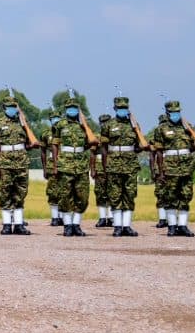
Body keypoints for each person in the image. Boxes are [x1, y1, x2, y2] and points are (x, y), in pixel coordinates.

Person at [150, 100, 195, 237]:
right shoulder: (161, 129)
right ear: (167, 113)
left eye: (178, 112)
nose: (176, 114)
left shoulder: (188, 127)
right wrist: (161, 171)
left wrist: (190, 130)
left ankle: (183, 226)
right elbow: (159, 152)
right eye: (173, 112)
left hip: (186, 166)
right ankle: (172, 226)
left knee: (186, 195)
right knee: (170, 196)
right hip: (170, 167)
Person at [100, 97, 145, 237]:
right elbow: (104, 148)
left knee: (130, 194)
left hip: (130, 165)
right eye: (120, 108)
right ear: (115, 109)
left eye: (125, 108)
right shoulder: (108, 125)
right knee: (115, 195)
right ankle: (117, 226)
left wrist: (132, 150)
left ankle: (127, 226)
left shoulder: (135, 126)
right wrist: (105, 165)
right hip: (113, 164)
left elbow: (140, 146)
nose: (122, 110)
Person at [51, 97, 96, 237]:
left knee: (82, 197)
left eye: (75, 108)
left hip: (81, 165)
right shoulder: (60, 125)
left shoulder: (84, 125)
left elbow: (93, 142)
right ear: (65, 110)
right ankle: (67, 225)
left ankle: (76, 224)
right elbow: (55, 145)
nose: (72, 110)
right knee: (65, 196)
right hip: (65, 164)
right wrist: (55, 164)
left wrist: (85, 125)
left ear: (78, 110)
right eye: (69, 108)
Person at [0, 96, 33, 235]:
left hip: (21, 162)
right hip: (5, 162)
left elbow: (29, 142)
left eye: (14, 106)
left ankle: (19, 225)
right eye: (9, 106)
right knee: (5, 192)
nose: (12, 109)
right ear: (4, 108)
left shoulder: (23, 123)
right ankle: (7, 225)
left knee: (21, 193)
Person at [41, 110, 63, 227]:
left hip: (66, 163)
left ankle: (64, 217)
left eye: (57, 118)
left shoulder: (65, 132)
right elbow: (43, 152)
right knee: (52, 192)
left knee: (65, 191)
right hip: (51, 165)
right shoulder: (45, 133)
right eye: (53, 118)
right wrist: (44, 168)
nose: (55, 120)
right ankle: (55, 217)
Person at [93, 113, 113, 228]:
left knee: (112, 193)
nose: (105, 124)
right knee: (100, 193)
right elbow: (92, 154)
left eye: (107, 122)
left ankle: (111, 217)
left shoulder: (115, 137)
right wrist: (93, 169)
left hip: (113, 167)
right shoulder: (97, 138)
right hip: (100, 168)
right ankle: (102, 218)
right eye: (103, 122)